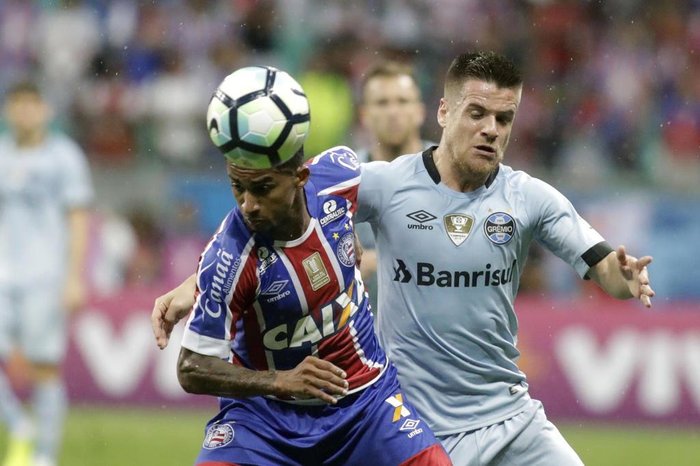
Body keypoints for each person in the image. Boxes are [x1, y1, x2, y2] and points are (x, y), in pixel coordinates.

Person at [153, 52, 655, 465]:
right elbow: (275, 202)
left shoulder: (533, 198)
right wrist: (193, 283)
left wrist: (624, 276)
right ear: (444, 112)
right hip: (412, 416)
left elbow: (604, 267)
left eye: (504, 119)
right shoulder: (385, 184)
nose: (491, 130)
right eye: (477, 114)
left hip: (509, 414)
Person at [153, 142, 451, 466]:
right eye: (238, 187)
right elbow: (191, 368)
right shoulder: (227, 256)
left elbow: (384, 200)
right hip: (265, 420)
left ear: (300, 178)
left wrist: (345, 227)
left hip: (366, 405)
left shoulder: (340, 173)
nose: (248, 204)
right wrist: (279, 381)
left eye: (263, 188)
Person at [0, 81, 93, 466]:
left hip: (45, 276)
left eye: (32, 104)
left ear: (46, 111)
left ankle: (44, 455)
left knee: (44, 365)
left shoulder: (65, 157)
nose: (24, 111)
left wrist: (74, 276)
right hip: (3, 273)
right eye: (17, 104)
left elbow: (78, 218)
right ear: (8, 111)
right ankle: (19, 422)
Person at [354, 60, 434, 312]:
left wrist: (380, 262)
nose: (393, 111)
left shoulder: (452, 174)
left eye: (402, 101)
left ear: (420, 111)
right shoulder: (344, 179)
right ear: (364, 115)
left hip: (434, 338)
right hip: (361, 337)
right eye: (382, 103)